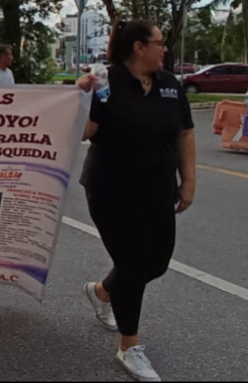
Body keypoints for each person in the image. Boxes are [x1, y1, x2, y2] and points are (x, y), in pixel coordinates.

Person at [79, 20, 196, 382]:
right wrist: (81, 96)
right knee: (131, 264)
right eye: (159, 43)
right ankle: (129, 345)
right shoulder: (104, 80)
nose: (165, 49)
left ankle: (101, 292)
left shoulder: (170, 86)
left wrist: (188, 180)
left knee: (155, 263)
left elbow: (185, 132)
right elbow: (83, 132)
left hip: (158, 189)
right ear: (138, 48)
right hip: (111, 189)